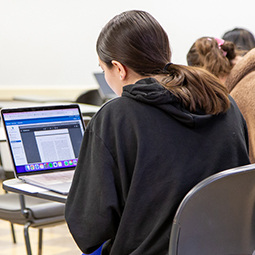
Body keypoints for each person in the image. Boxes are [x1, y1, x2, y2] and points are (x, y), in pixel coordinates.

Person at [65, 10, 250, 255]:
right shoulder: (224, 102)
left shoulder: (116, 117)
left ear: (119, 69)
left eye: (104, 69)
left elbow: (89, 230)